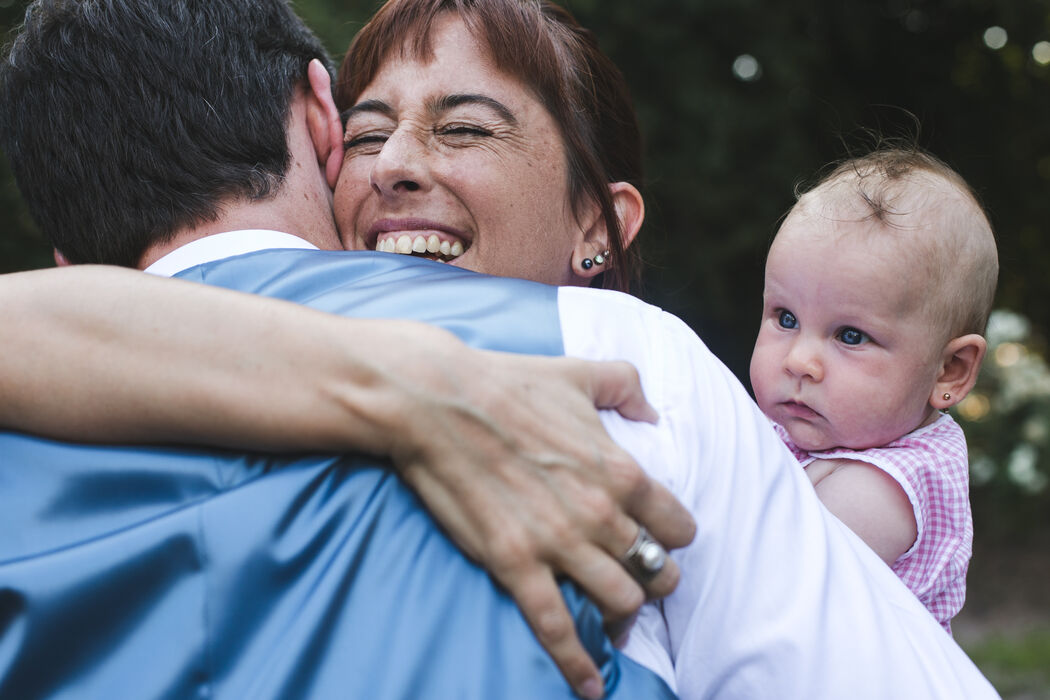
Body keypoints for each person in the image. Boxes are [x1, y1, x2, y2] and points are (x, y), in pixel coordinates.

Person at [0, 0, 1000, 698]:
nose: (394, 166)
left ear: (600, 229)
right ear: (318, 123)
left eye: (466, 129)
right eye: (366, 129)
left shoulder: (636, 384)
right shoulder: (626, 362)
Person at [749, 148, 998, 632]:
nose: (799, 360)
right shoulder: (812, 429)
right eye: (786, 318)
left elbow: (765, 577)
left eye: (850, 336)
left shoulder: (888, 487)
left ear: (949, 370)